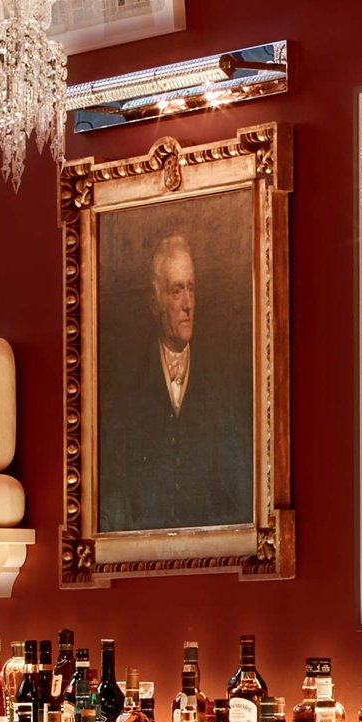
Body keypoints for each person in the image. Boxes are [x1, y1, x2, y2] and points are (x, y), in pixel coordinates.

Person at [97, 222, 254, 536]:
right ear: (155, 304)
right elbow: (116, 496)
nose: (187, 304)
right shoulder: (129, 388)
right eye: (176, 290)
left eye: (191, 288)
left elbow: (240, 490)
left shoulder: (222, 384)